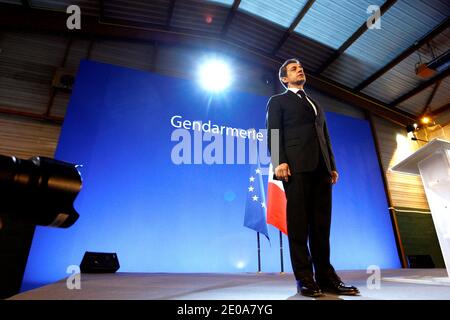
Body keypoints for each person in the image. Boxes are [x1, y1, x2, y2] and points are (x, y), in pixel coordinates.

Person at [266, 58, 359, 297]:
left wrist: (332, 166)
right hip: (295, 167)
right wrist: (279, 161)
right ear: (284, 78)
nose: (300, 70)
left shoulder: (316, 103)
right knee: (298, 226)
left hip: (321, 170)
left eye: (301, 67)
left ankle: (326, 277)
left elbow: (325, 137)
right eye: (294, 69)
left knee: (321, 226)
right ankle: (305, 279)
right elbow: (273, 132)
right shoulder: (278, 101)